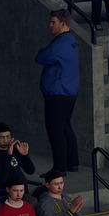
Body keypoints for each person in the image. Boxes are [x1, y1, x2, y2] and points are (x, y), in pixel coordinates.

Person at [35, 9, 80, 174]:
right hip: (69, 92)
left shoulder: (59, 45)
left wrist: (42, 51)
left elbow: (40, 58)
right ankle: (72, 162)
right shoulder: (71, 40)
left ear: (63, 24)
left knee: (55, 130)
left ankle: (59, 168)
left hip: (57, 93)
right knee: (65, 126)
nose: (50, 25)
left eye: (53, 22)